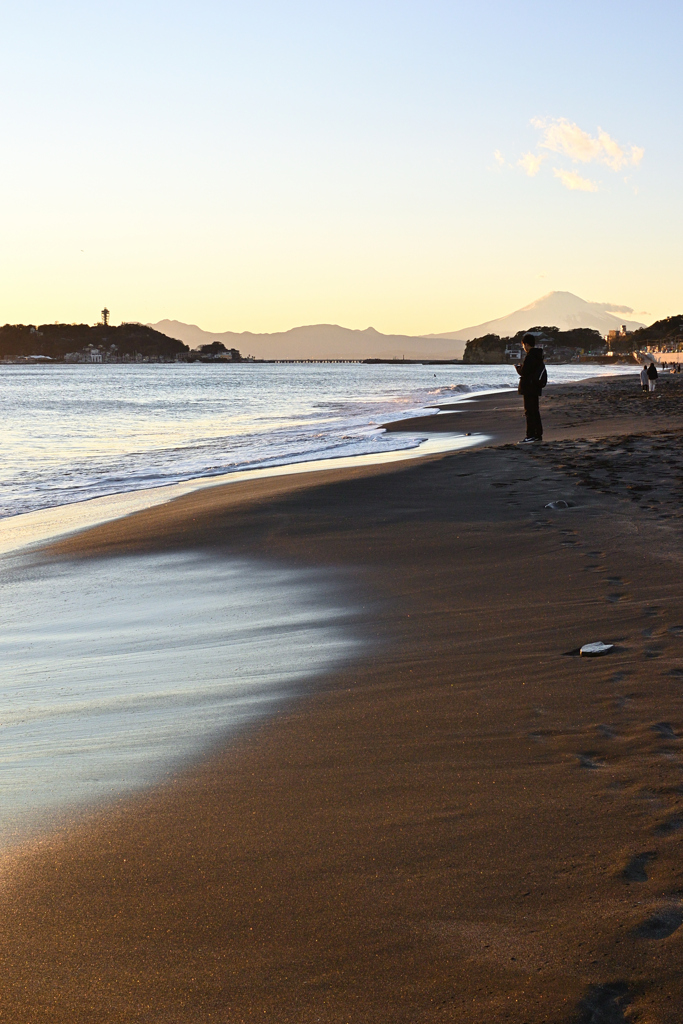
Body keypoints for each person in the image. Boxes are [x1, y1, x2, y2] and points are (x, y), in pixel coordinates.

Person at [515, 333, 546, 442]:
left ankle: (531, 435)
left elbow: (525, 372)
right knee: (535, 411)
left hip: (529, 387)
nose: (523, 347)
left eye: (523, 345)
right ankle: (538, 435)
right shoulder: (538, 355)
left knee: (529, 412)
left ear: (526, 344)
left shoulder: (530, 356)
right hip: (536, 387)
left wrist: (518, 369)